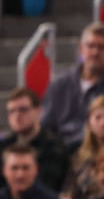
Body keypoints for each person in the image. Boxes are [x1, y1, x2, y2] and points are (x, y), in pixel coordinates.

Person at [0, 88, 69, 199]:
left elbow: (49, 185)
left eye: (23, 110)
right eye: (12, 111)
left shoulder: (54, 146)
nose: (17, 116)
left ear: (38, 111)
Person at [42, 22, 104, 151]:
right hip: (63, 155)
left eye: (101, 47)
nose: (95, 52)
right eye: (90, 46)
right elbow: (46, 128)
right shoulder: (59, 86)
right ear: (81, 49)